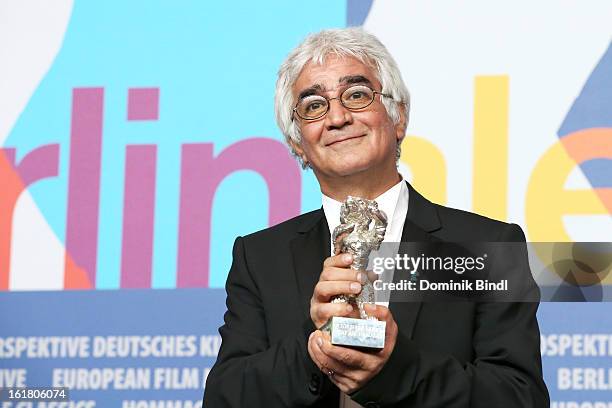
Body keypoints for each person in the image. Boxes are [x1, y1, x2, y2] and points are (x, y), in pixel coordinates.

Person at [203, 27, 549, 407]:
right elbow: (225, 397)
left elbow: (520, 398)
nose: (337, 117)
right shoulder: (260, 257)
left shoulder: (485, 248)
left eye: (356, 95)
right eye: (314, 105)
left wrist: (399, 370)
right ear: (297, 143)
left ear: (398, 117)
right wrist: (312, 348)